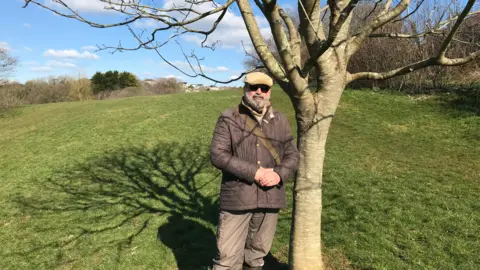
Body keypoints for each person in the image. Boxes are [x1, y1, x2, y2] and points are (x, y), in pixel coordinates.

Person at [210, 72, 300, 270]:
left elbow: (293, 156)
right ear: (245, 88)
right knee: (227, 258)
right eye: (254, 87)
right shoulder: (229, 117)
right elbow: (218, 154)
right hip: (238, 198)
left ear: (269, 92)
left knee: (256, 257)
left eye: (264, 88)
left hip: (270, 198)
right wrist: (255, 172)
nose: (258, 92)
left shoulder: (281, 120)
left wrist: (278, 174)